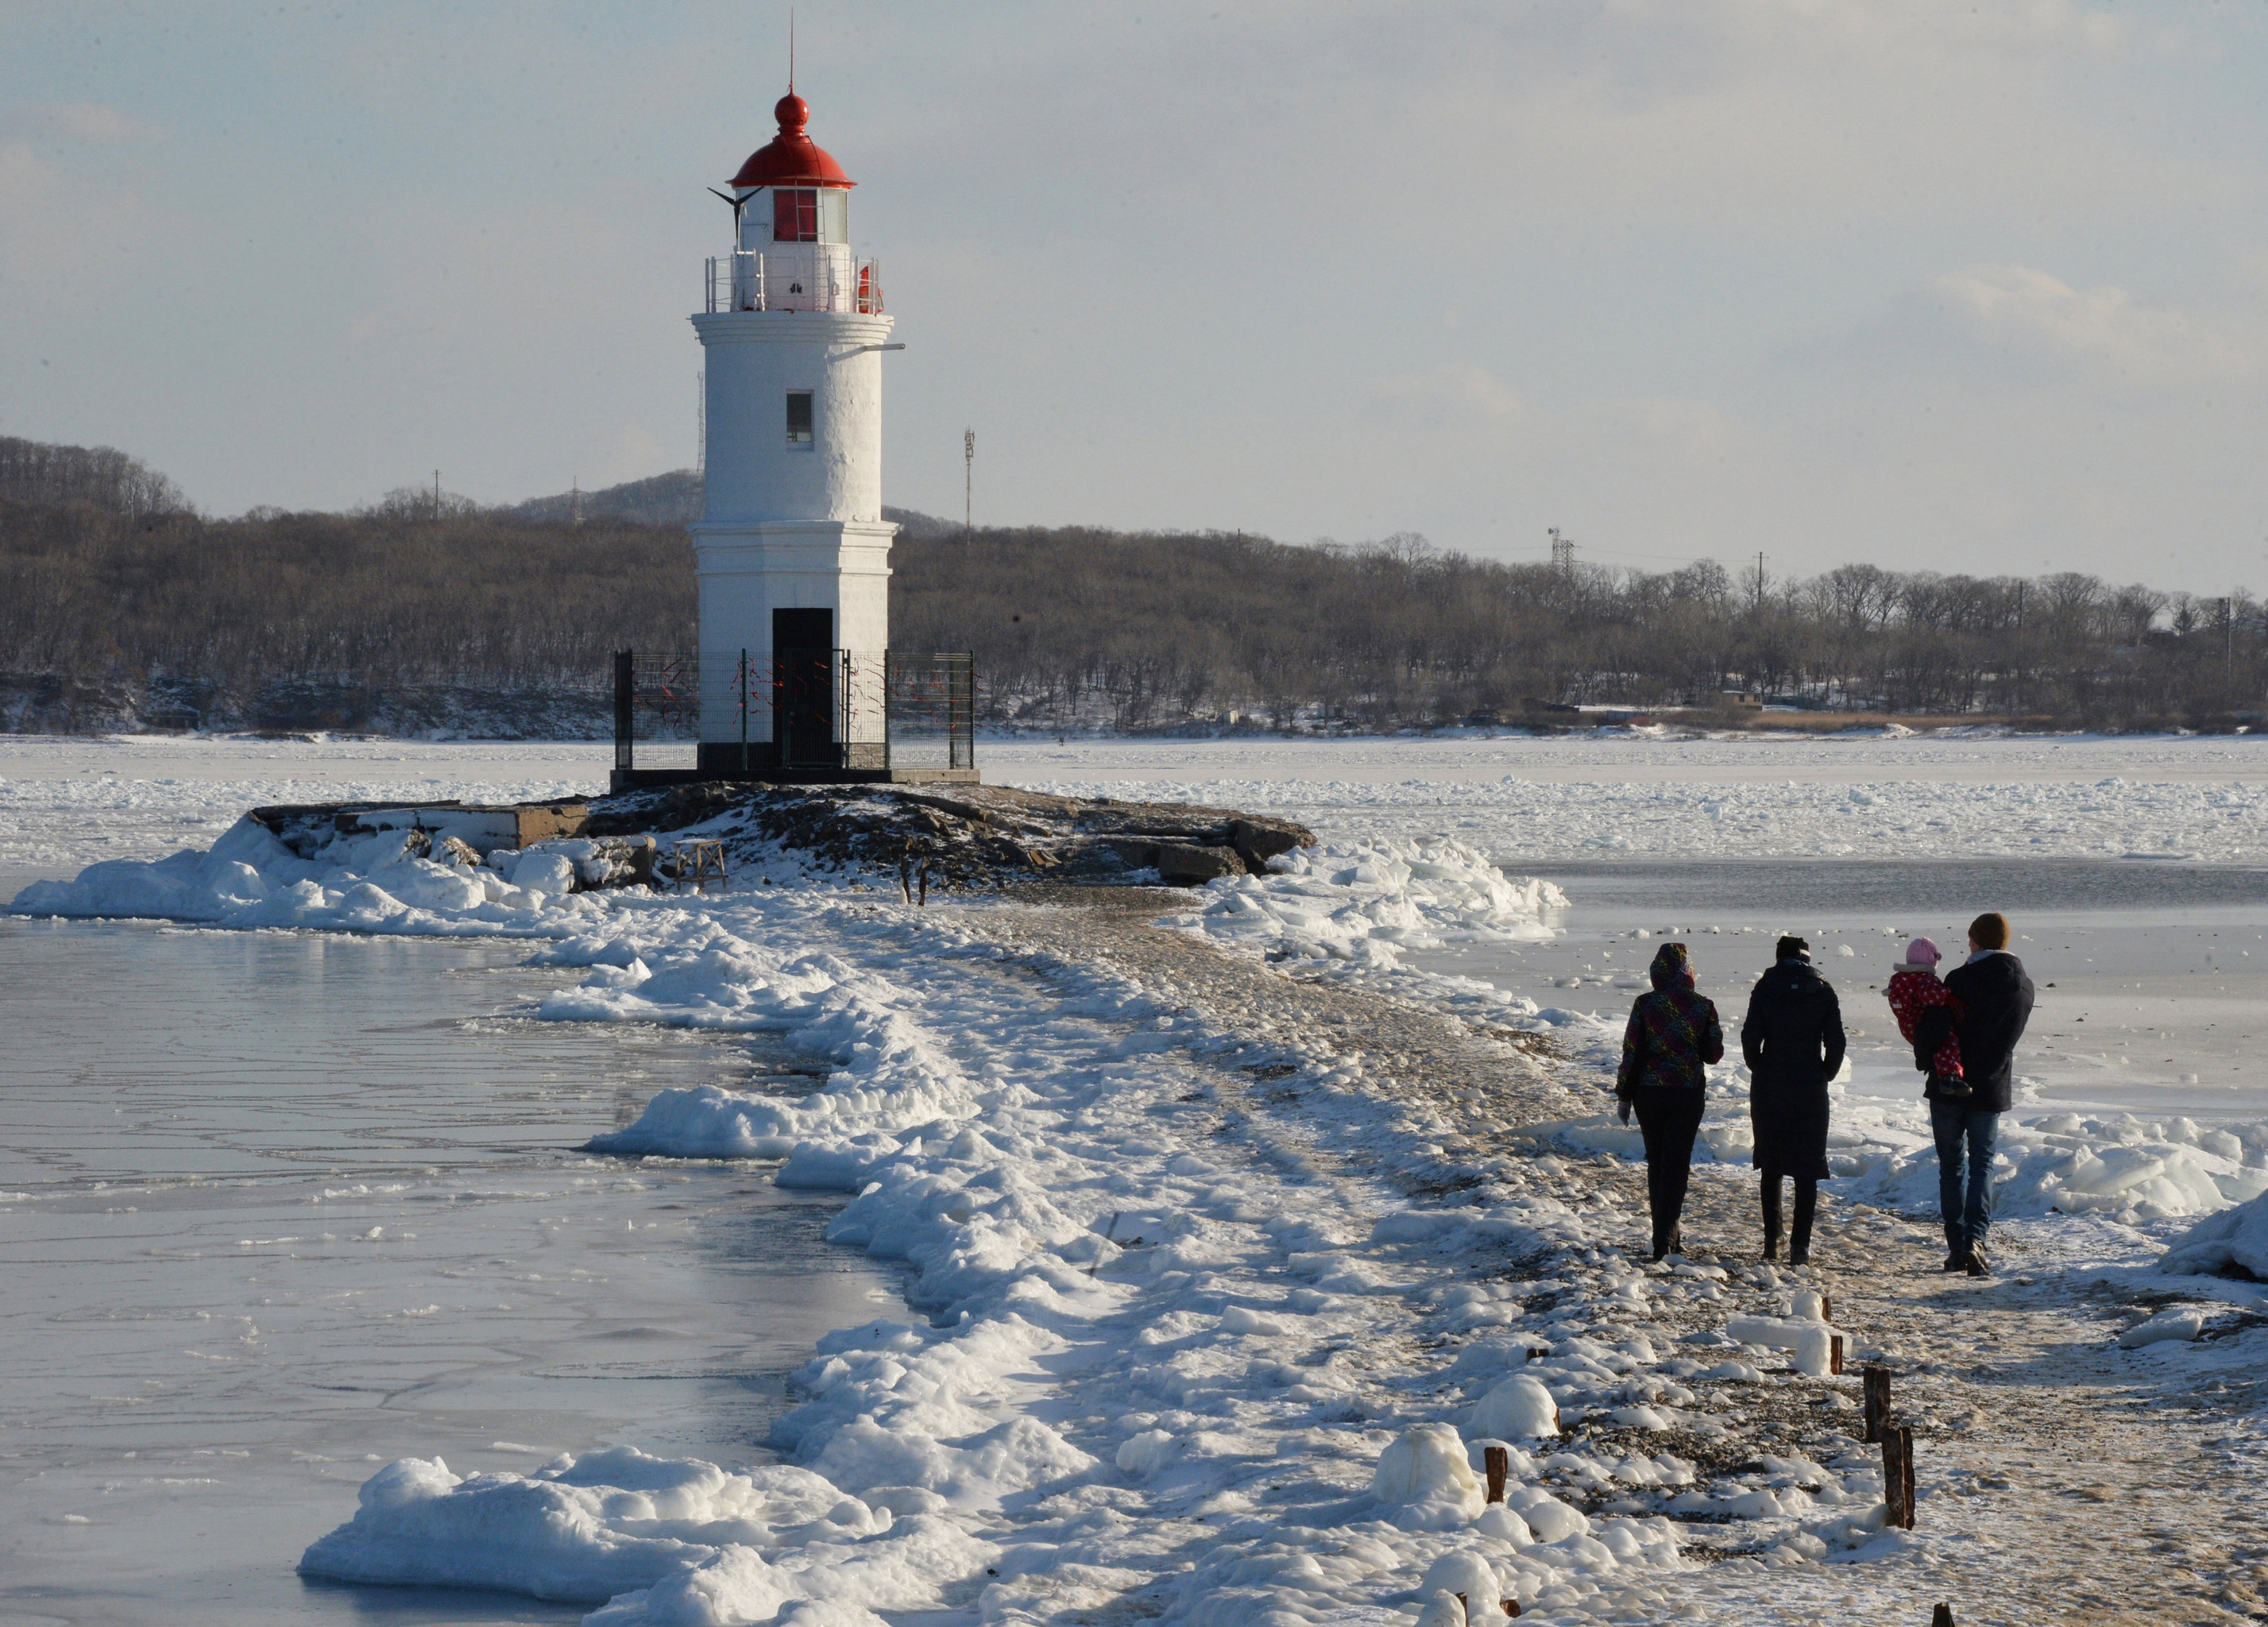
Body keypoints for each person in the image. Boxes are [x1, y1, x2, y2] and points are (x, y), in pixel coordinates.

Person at [1915, 912, 2035, 1278]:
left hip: (1950, 1084)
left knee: (1952, 1166)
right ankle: (1976, 1241)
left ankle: (1956, 1246)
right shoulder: (2024, 987)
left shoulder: (1959, 979)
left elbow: (1939, 1025)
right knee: (1982, 1163)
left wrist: (1925, 1056)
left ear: (1978, 940)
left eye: (1970, 938)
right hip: (1991, 1085)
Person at [1615, 941, 1725, 1262]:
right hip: (1687, 1093)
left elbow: (1631, 1052)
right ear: (1688, 971)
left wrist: (1624, 1094)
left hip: (1648, 1094)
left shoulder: (1644, 1004)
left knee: (1657, 1163)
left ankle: (1664, 1235)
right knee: (1677, 1164)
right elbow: (1713, 1055)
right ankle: (1666, 1237)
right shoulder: (1703, 1006)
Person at [1740, 935, 1845, 1266]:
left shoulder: (1765, 987)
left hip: (1770, 1084)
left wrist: (1760, 1066)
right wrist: (1824, 1073)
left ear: (1778, 957)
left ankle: (1773, 1240)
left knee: (1771, 1164)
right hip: (1810, 1087)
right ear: (1807, 958)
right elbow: (1837, 1042)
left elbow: (1749, 1036)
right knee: (1807, 1167)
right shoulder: (1824, 990)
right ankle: (1801, 1246)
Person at [1885, 937, 1969, 1101]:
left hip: (1908, 1026)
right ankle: (1949, 1078)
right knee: (1947, 1043)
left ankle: (1946, 1073)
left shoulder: (1900, 980)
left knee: (1937, 1046)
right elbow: (1930, 995)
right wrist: (1949, 997)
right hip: (1921, 1024)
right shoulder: (1924, 980)